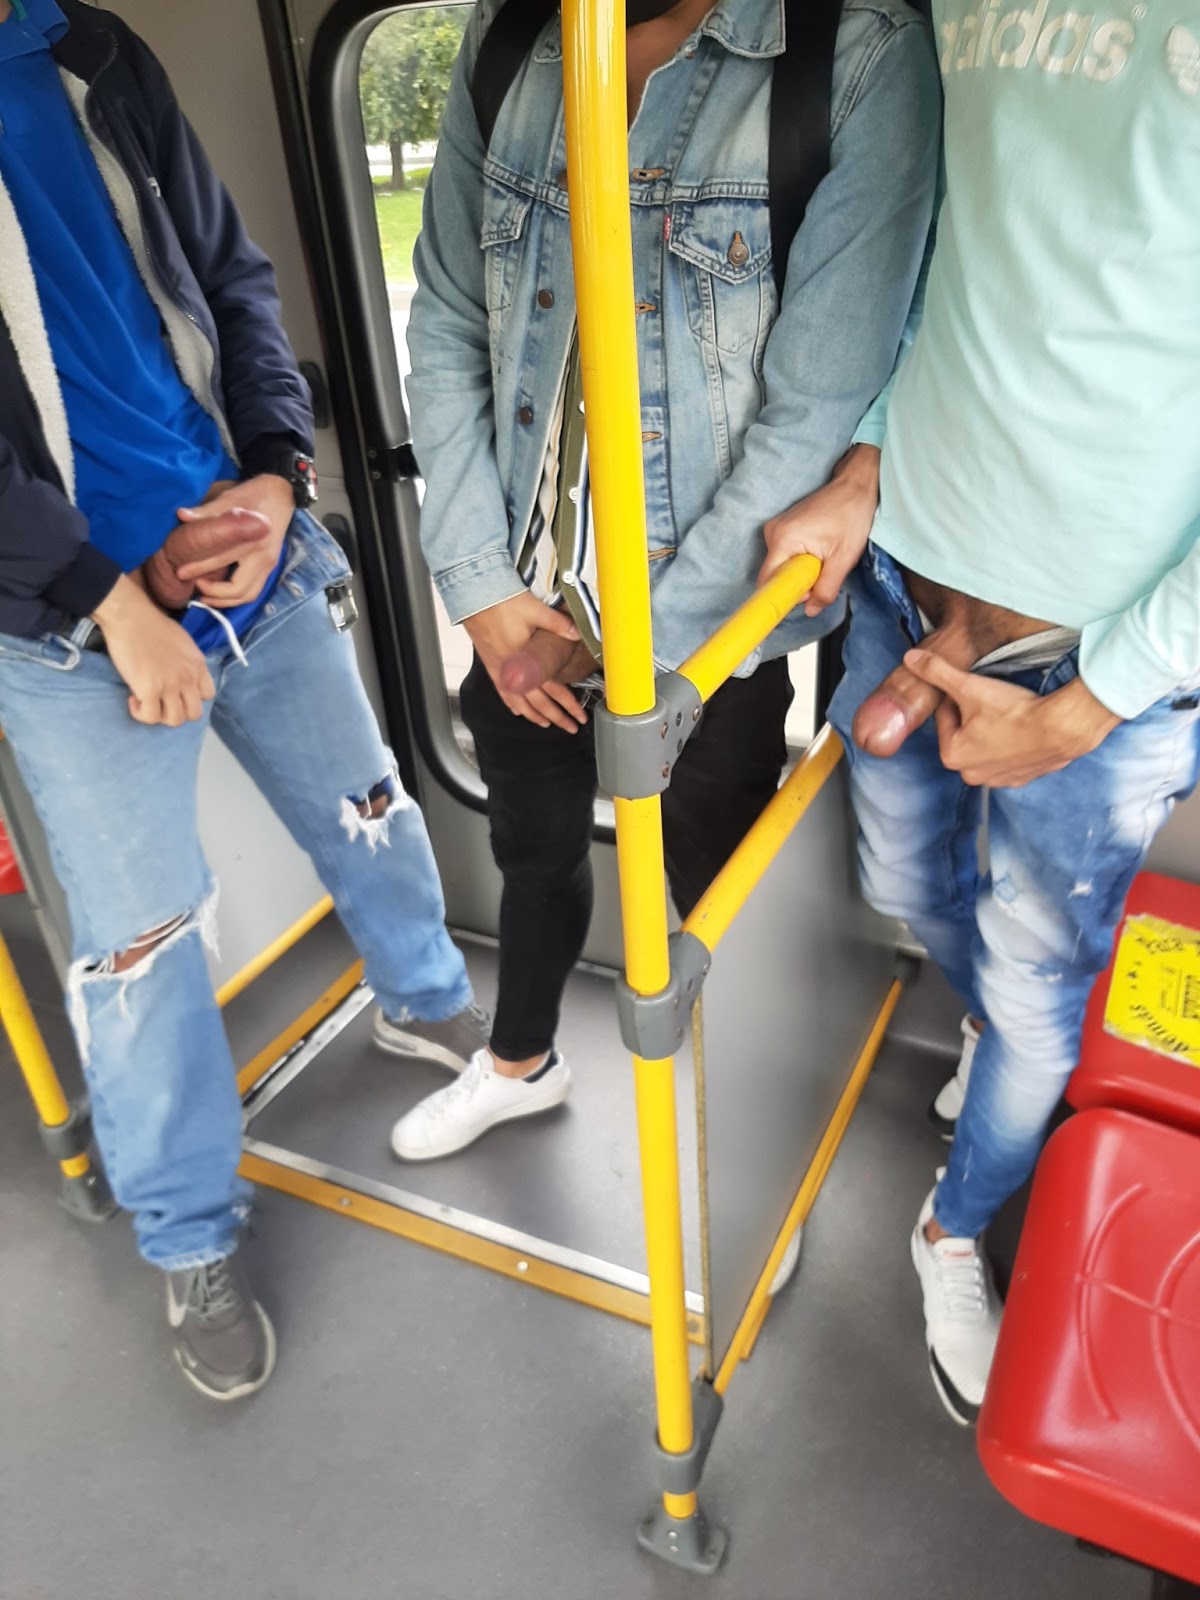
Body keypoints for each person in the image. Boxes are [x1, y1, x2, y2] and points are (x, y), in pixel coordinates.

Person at [0, 0, 487, 1401]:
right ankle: (188, 1234)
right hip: (67, 623)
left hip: (244, 544)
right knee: (140, 951)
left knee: (371, 805)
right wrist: (111, 604)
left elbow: (232, 279)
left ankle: (424, 997)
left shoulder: (88, 50)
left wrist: (280, 472)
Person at [397, 0, 940, 1162]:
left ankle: (737, 1159)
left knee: (712, 887)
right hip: (523, 604)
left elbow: (818, 410)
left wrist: (643, 655)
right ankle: (521, 1060)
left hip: (703, 626)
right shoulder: (508, 41)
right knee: (534, 849)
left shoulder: (850, 58)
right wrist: (484, 590)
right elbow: (447, 309)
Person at [760, 0, 1200, 1424]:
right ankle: (987, 1060)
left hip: (1090, 655)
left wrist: (1087, 708)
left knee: (1036, 994)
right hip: (905, 570)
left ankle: (950, 1228)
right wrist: (864, 463)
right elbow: (947, 255)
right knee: (901, 882)